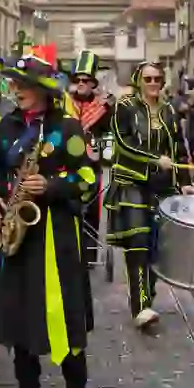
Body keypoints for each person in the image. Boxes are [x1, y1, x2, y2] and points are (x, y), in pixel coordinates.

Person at [0, 56, 95, 388]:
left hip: (56, 233)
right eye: (13, 84)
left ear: (43, 91)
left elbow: (89, 179)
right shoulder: (7, 125)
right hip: (14, 231)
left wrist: (52, 185)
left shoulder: (68, 127)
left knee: (63, 308)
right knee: (18, 309)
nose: (15, 91)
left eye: (23, 85)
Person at [106, 61, 192, 329]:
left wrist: (185, 182)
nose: (154, 83)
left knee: (156, 246)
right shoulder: (125, 107)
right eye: (149, 79)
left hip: (162, 187)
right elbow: (124, 141)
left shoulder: (169, 111)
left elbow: (178, 148)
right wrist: (155, 159)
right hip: (131, 182)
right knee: (139, 242)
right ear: (138, 80)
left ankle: (146, 296)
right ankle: (140, 306)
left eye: (158, 79)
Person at [68, 50, 113, 266]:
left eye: (85, 80)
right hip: (66, 166)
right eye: (77, 80)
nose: (81, 84)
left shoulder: (104, 108)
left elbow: (109, 135)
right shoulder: (64, 104)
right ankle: (67, 251)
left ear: (93, 83)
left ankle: (88, 255)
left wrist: (103, 151)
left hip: (91, 165)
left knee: (91, 211)